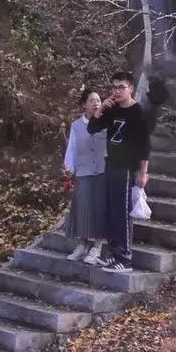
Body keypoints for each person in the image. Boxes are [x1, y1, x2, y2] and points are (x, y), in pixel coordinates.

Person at [86, 71, 151, 274]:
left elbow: (144, 145)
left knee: (122, 213)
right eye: (114, 87)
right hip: (111, 165)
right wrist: (100, 110)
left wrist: (143, 172)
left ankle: (125, 258)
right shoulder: (112, 110)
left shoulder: (137, 111)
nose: (117, 91)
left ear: (130, 88)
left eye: (121, 87)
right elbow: (92, 129)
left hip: (126, 168)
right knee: (111, 212)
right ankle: (114, 254)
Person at [63, 88, 107, 264]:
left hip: (103, 172)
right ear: (84, 105)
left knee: (99, 210)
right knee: (82, 209)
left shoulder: (106, 123)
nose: (96, 103)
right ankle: (82, 245)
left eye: (98, 100)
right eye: (92, 101)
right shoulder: (76, 126)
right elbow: (71, 150)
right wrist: (68, 173)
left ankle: (97, 247)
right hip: (83, 172)